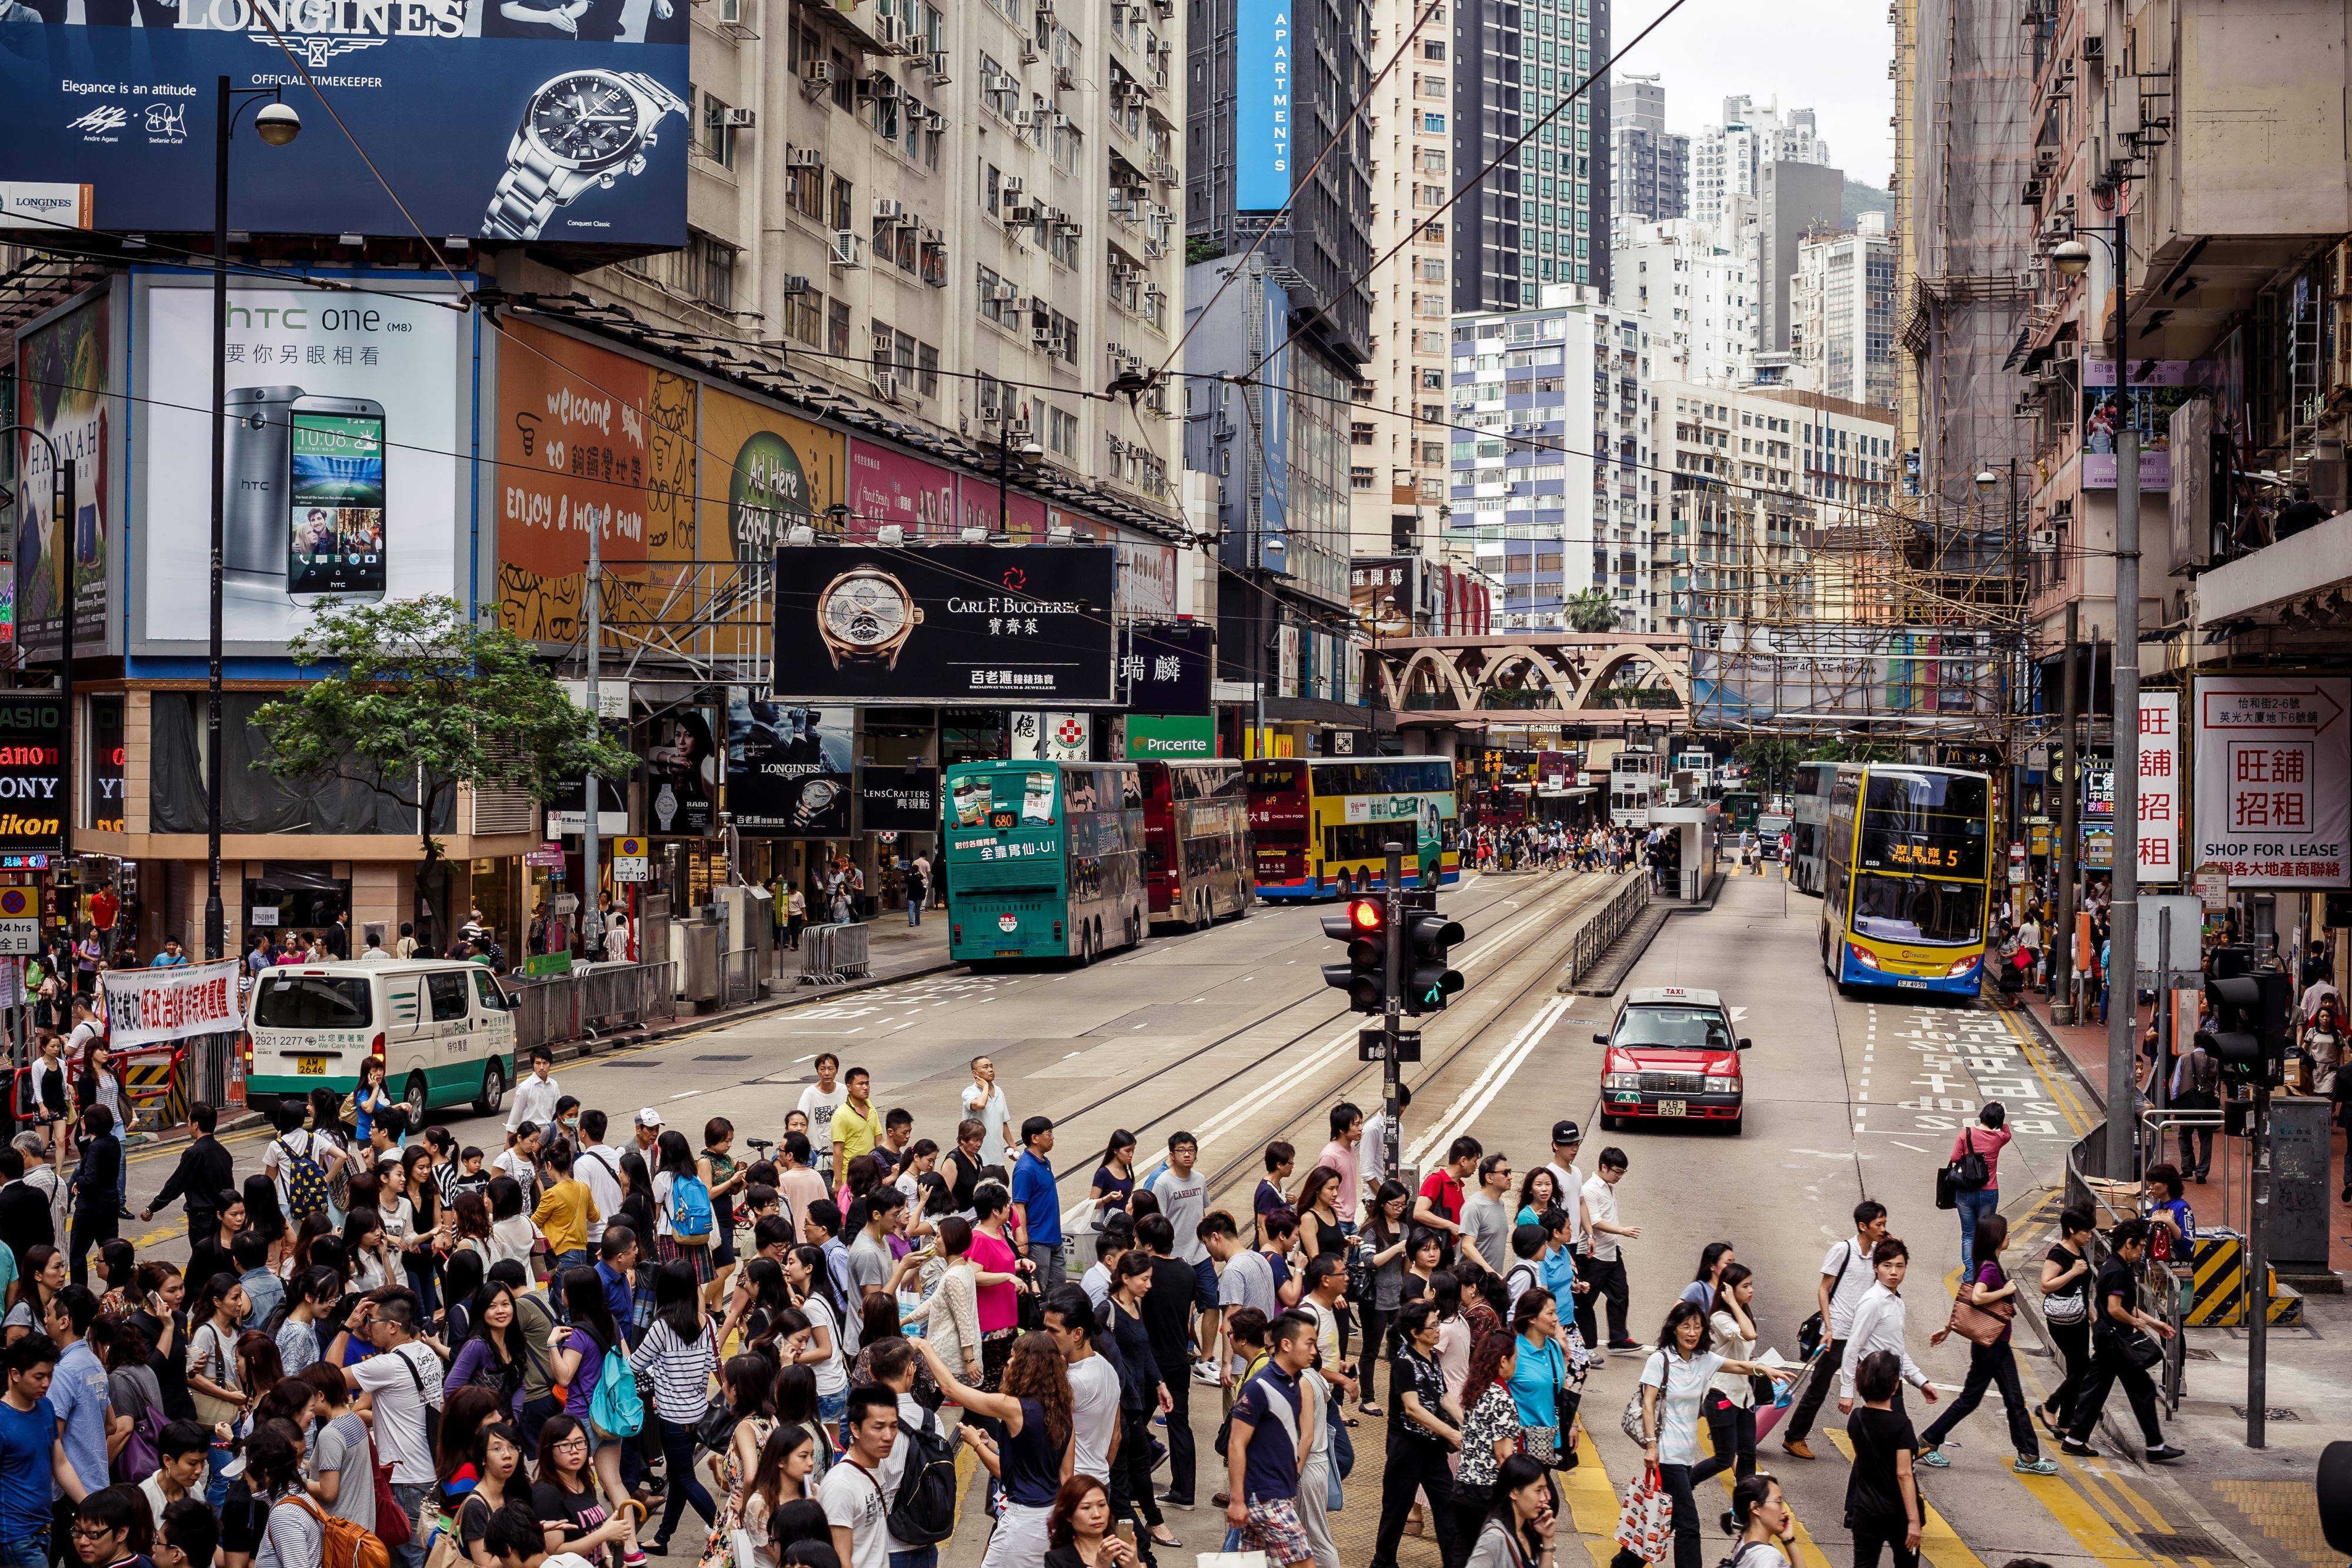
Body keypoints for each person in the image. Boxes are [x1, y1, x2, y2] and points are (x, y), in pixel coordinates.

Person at [1637, 1300, 1789, 1568]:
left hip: (1685, 1455)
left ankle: (1625, 1562)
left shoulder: (1703, 1360)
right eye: (1686, 1326)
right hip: (1666, 1454)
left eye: (1697, 1327)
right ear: (1674, 1329)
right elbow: (1648, 1403)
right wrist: (1651, 1445)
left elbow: (1739, 1366)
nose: (1692, 1332)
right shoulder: (1660, 1360)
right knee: (1689, 1525)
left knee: (1667, 1520)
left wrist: (1765, 1369)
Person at [916, 1332, 1072, 1568]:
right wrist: (991, 1443)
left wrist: (924, 1346)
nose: (1008, 1362)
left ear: (1028, 1365)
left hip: (1023, 1520)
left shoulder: (1014, 1408)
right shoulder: (1062, 1410)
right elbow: (1063, 1473)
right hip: (1051, 1518)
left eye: (1013, 1357)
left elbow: (951, 1388)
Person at [1916, 1213, 2055, 1475]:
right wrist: (2006, 1290)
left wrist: (1948, 1328)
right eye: (2006, 1232)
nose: (2010, 1235)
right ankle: (1926, 1442)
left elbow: (1968, 1301)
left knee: (2009, 1400)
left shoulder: (1988, 1263)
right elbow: (1978, 1298)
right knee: (1979, 1400)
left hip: (1995, 1345)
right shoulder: (1990, 1267)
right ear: (1995, 1237)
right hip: (1992, 1347)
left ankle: (2027, 1455)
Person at [2060, 1219, 2183, 1462]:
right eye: (2139, 1247)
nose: (2140, 1253)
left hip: (2111, 1338)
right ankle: (2155, 1447)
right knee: (2142, 1390)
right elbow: (2116, 1309)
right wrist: (2136, 1323)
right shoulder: (2117, 1271)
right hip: (2116, 1340)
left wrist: (2153, 1322)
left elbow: (2128, 1306)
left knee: (2098, 1390)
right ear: (2128, 1244)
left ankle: (2075, 1439)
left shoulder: (2116, 1266)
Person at [343, 1293, 447, 1568]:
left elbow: (328, 1376)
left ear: (392, 1326)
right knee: (426, 1553)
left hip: (405, 1479)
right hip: (430, 1470)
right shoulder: (427, 1353)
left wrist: (346, 1327)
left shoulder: (388, 1364)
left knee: (413, 1557)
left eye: (371, 1321)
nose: (366, 1327)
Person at [1781, 1198, 1886, 1460]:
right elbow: (1824, 1289)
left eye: (1885, 1223)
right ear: (1863, 1226)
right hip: (1837, 1331)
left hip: (1864, 1333)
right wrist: (1828, 1328)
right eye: (1879, 1224)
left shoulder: (1877, 1255)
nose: (1884, 1228)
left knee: (1880, 1384)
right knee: (1819, 1387)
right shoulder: (1843, 1250)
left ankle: (1883, 1442)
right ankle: (1794, 1437)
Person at [1367, 1299, 1458, 1568]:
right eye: (1433, 1326)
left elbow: (1443, 1396)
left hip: (1432, 1449)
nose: (1438, 1330)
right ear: (1415, 1333)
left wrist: (1466, 1422)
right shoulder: (1403, 1363)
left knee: (1447, 1505)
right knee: (1396, 1509)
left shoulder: (1431, 1358)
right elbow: (1413, 1409)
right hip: (1406, 1449)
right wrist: (1451, 1434)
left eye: (1437, 1323)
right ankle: (1383, 1563)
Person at [1222, 1311, 1317, 1568]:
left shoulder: (1294, 1383)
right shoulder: (1259, 1387)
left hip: (1276, 1493)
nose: (1314, 1351)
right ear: (1286, 1344)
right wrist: (1238, 1500)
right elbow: (1236, 1444)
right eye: (1308, 1343)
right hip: (1265, 1498)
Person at [1845, 1351, 1923, 1568]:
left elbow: (1863, 1459)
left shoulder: (1856, 1418)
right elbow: (1904, 1474)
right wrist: (1914, 1522)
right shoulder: (1902, 1424)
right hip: (1898, 1514)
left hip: (1865, 1510)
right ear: (1895, 1386)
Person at [140, 1102, 235, 1247]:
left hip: (202, 1220)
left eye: (189, 1121)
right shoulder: (224, 1152)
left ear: (196, 1125)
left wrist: (152, 1208)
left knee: (201, 1261)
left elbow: (175, 1186)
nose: (188, 1124)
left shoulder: (194, 1153)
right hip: (221, 1217)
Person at [1576, 1147, 1639, 1352]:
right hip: (1593, 1255)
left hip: (1612, 1252)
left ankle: (1618, 1338)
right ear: (1604, 1167)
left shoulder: (1609, 1185)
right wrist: (1623, 1230)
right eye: (1617, 1172)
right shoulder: (1591, 1189)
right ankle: (1581, 1342)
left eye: (1622, 1173)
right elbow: (1594, 1221)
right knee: (1585, 1299)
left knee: (1621, 1294)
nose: (1619, 1176)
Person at [1463, 1454, 1557, 1568]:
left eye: (1544, 1490)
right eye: (1538, 1491)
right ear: (1513, 1492)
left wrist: (1547, 1539)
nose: (1543, 1498)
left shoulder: (1527, 1531)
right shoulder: (1494, 1538)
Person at [1011, 1117, 1065, 1290]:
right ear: (1035, 1138)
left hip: (1054, 1237)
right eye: (1049, 1133)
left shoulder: (1044, 1162)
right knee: (1038, 1289)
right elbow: (1019, 1206)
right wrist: (1024, 1242)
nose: (1053, 1138)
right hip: (1037, 1241)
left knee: (1058, 1288)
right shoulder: (1025, 1169)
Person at [1044, 1475, 1136, 1568]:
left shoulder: (1122, 1546)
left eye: (1102, 1505)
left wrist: (1134, 1565)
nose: (1097, 1514)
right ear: (1068, 1515)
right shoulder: (1057, 1559)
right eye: (1086, 1508)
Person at [800, 1056, 849, 1176]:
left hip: (844, 1158)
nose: (827, 1073)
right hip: (820, 1161)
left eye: (831, 1068)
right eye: (823, 1069)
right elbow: (800, 1121)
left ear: (836, 1070)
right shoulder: (810, 1094)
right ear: (817, 1071)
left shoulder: (844, 1091)